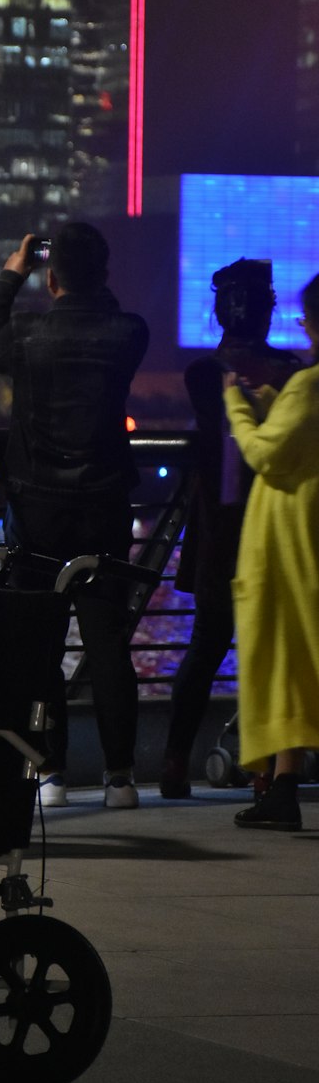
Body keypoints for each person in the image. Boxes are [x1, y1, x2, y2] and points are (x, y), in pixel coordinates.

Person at [0, 221, 149, 809]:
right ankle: (120, 777)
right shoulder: (130, 333)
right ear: (105, 273)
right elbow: (110, 313)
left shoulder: (27, 337)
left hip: (37, 507)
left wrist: (11, 274)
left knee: (39, 641)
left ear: (50, 277)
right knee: (108, 641)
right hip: (104, 504)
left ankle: (49, 771)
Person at [161, 259, 301, 798]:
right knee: (267, 652)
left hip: (219, 526)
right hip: (270, 522)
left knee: (206, 645)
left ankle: (176, 761)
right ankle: (267, 770)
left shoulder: (203, 374)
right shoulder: (289, 373)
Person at [222, 272, 319, 831]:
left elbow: (269, 452)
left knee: (287, 659)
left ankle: (282, 787)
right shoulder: (302, 387)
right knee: (296, 662)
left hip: (289, 545)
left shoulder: (310, 385)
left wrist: (238, 405)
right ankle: (283, 785)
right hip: (298, 542)